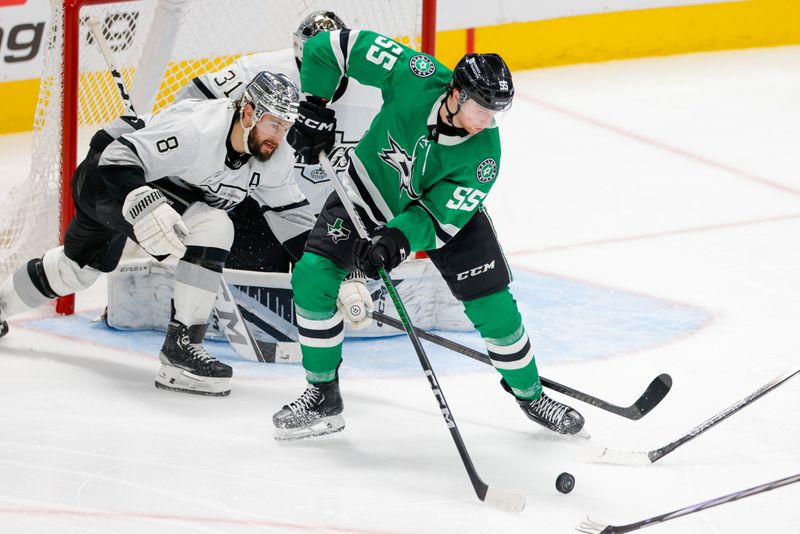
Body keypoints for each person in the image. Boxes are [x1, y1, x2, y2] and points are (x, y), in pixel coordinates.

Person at [272, 29, 586, 440]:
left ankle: (530, 395)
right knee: (313, 275)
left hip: (444, 219)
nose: (487, 122)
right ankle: (323, 396)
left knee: (494, 306)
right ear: (455, 94)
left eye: (496, 113)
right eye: (482, 109)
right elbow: (328, 47)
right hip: (366, 191)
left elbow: (436, 218)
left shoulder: (484, 155)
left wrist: (395, 240)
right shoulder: (415, 73)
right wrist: (314, 105)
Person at [0, 71, 314, 396]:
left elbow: (292, 219)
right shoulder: (197, 131)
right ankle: (180, 352)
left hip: (148, 187)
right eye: (274, 124)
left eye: (286, 127)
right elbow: (116, 157)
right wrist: (145, 205)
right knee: (213, 225)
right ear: (248, 112)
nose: (279, 137)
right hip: (106, 179)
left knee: (77, 270)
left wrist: (337, 274)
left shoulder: (275, 158)